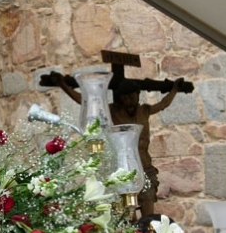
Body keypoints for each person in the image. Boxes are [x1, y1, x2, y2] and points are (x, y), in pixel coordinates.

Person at [49, 71, 183, 216]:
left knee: (148, 208)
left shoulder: (144, 110)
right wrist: (63, 85)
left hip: (145, 167)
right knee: (126, 214)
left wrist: (175, 89)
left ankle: (148, 228)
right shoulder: (112, 111)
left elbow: (164, 104)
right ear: (120, 98)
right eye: (125, 96)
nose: (129, 99)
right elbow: (86, 101)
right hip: (122, 167)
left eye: (132, 95)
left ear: (138, 94)